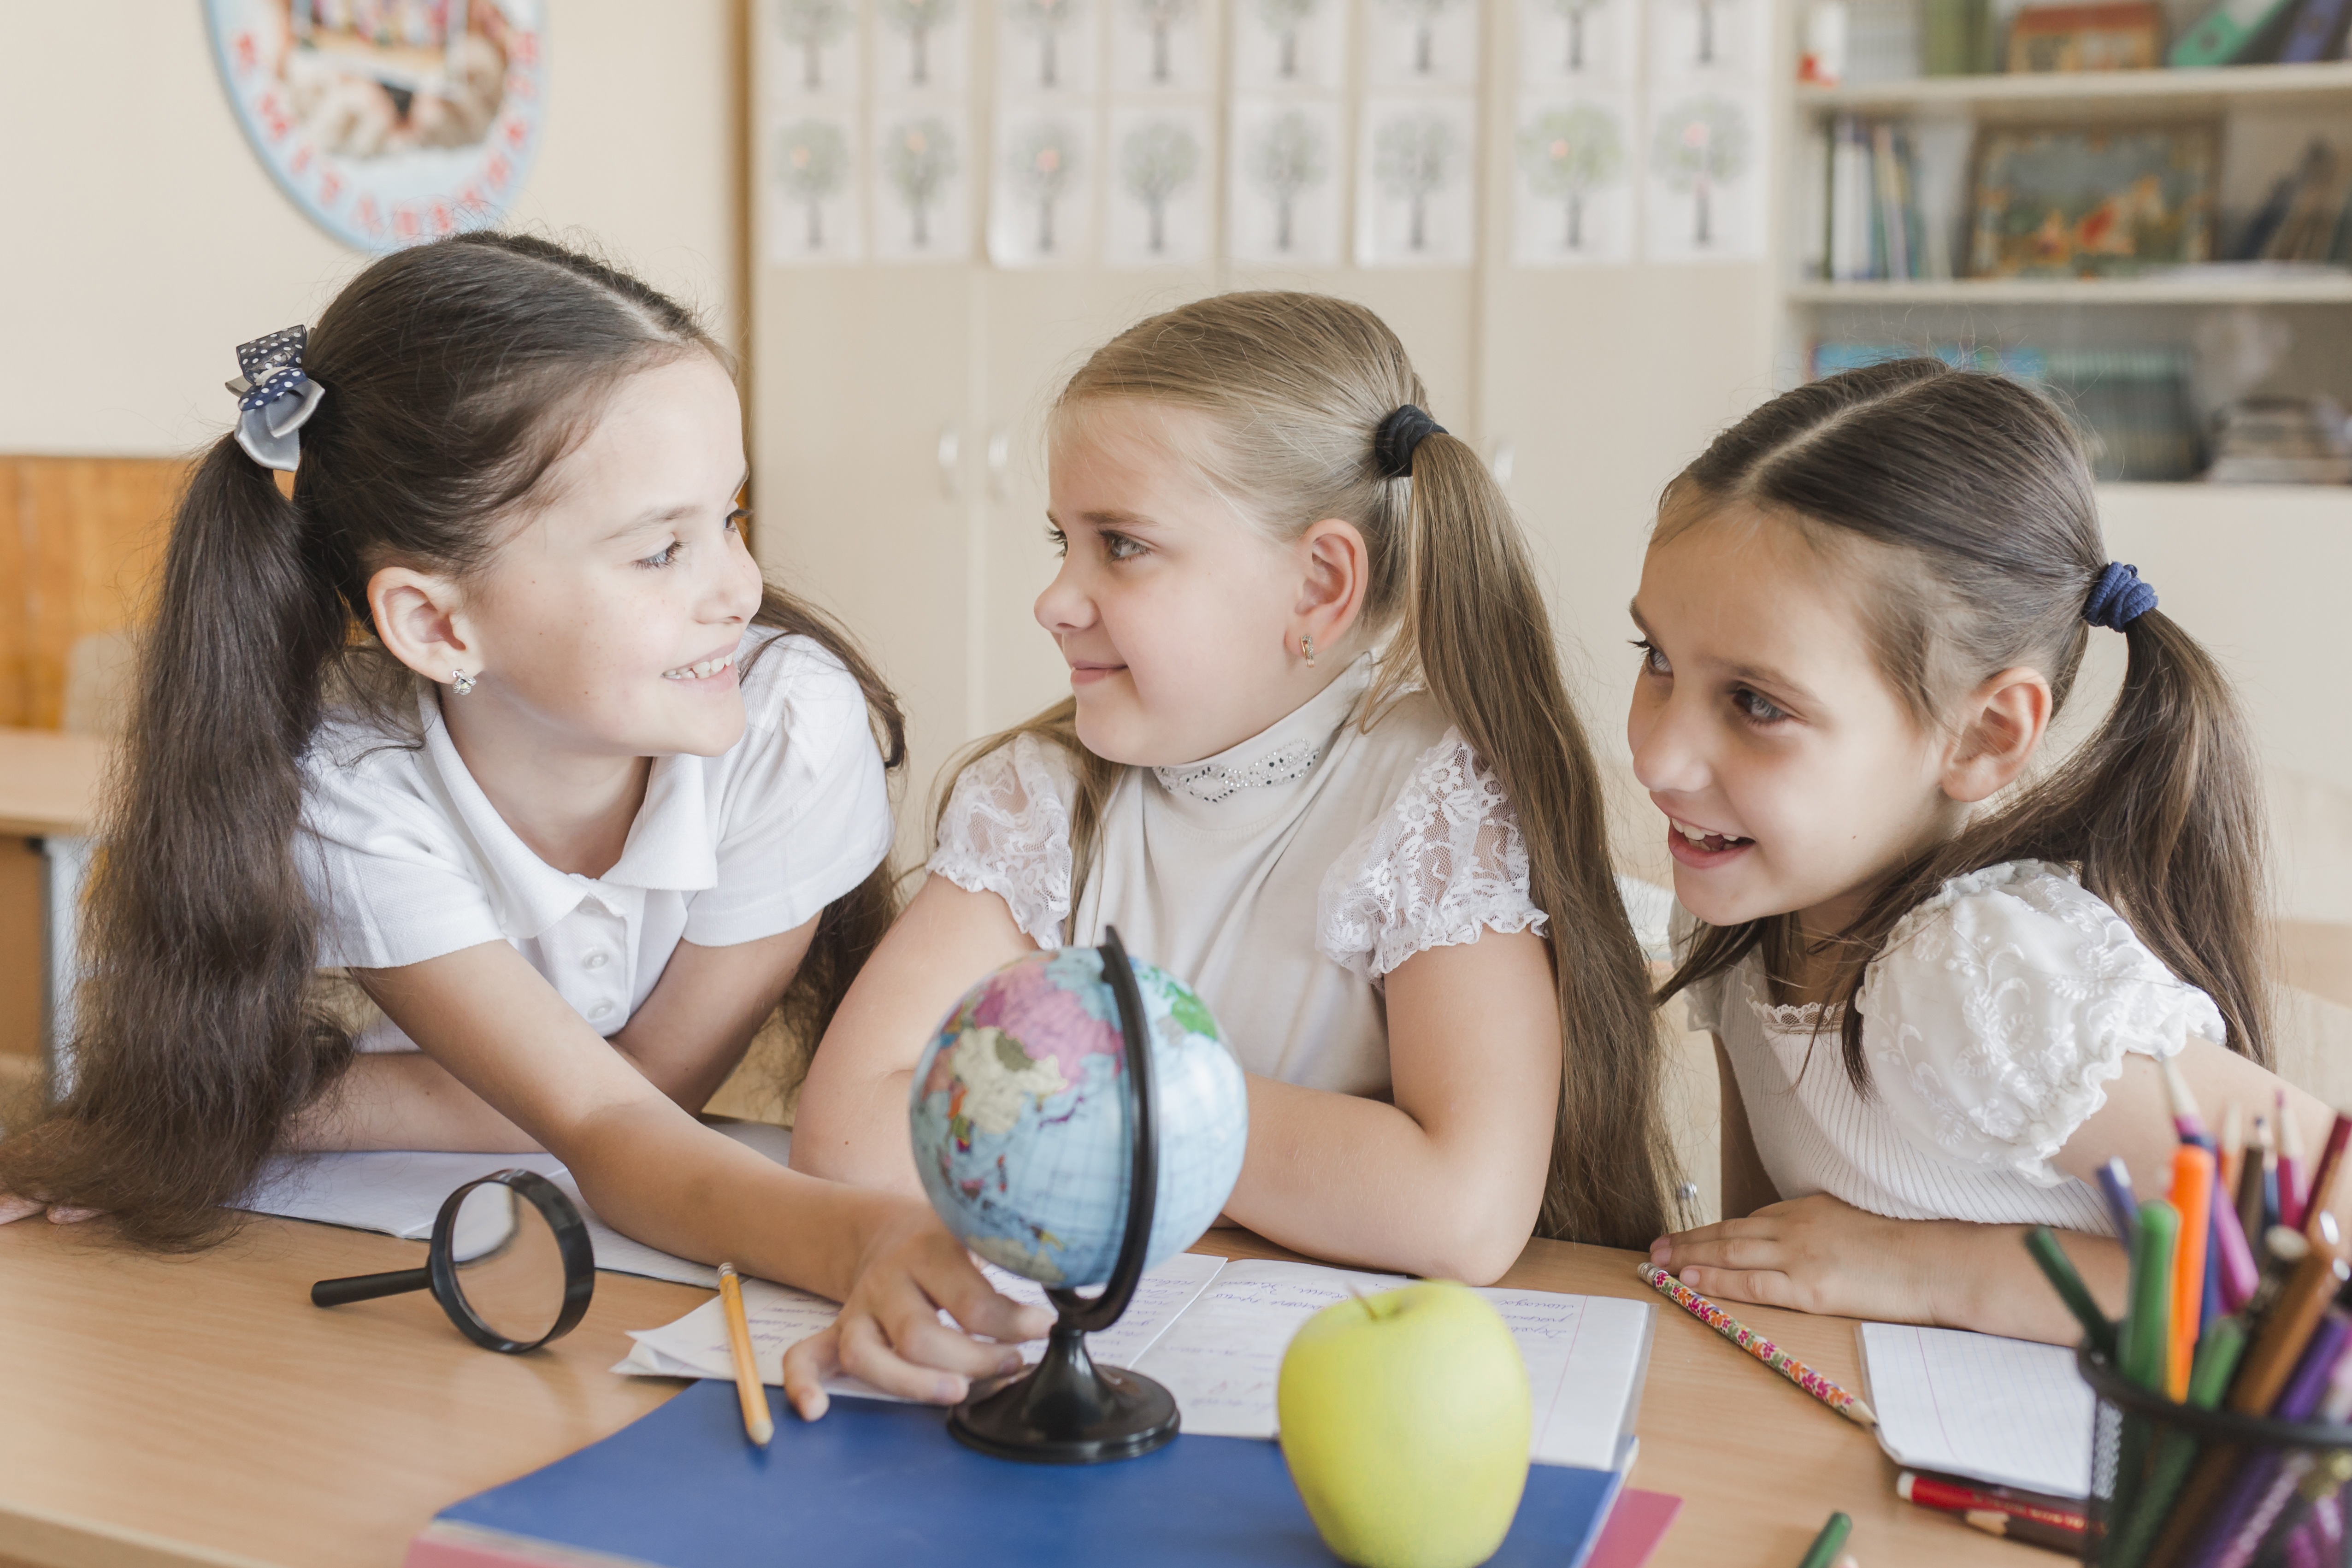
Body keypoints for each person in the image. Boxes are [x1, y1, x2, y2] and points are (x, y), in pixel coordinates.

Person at [0, 232, 1047, 1415]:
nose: (739, 588)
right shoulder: (350, 782)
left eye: (732, 516)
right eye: (661, 550)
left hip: (579, 1214)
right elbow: (599, 1110)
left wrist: (218, 1111)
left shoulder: (790, 729)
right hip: (400, 1265)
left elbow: (634, 1101)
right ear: (439, 627)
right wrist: (172, 1125)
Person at [791, 292, 1675, 1279]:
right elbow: (850, 1135)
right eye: (1061, 542)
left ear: (1319, 586)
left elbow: (1459, 1209)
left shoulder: (1433, 800)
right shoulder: (1042, 797)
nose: (1054, 600)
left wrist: (1106, 1100)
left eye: (1122, 545)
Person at [1636, 358, 2334, 1342]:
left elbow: (2327, 1251)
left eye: (1755, 702)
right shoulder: (1738, 908)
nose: (1656, 757)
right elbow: (1766, 1259)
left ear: (1983, 736)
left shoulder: (1979, 977)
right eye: (1657, 659)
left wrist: (1938, 1271)